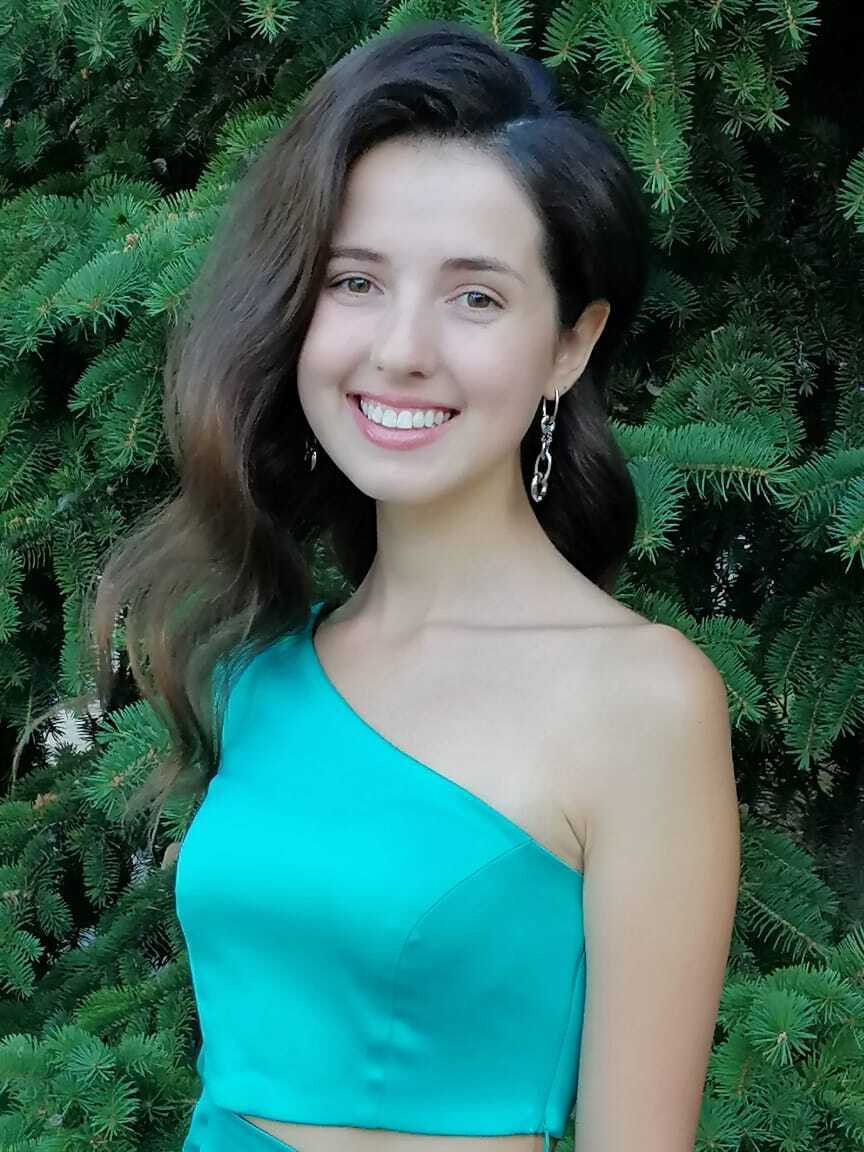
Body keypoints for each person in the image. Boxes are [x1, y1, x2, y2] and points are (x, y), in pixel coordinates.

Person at [86, 18, 741, 1152]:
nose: (400, 349)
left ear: (570, 345)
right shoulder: (260, 668)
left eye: (475, 297)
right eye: (355, 281)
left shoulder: (643, 701)